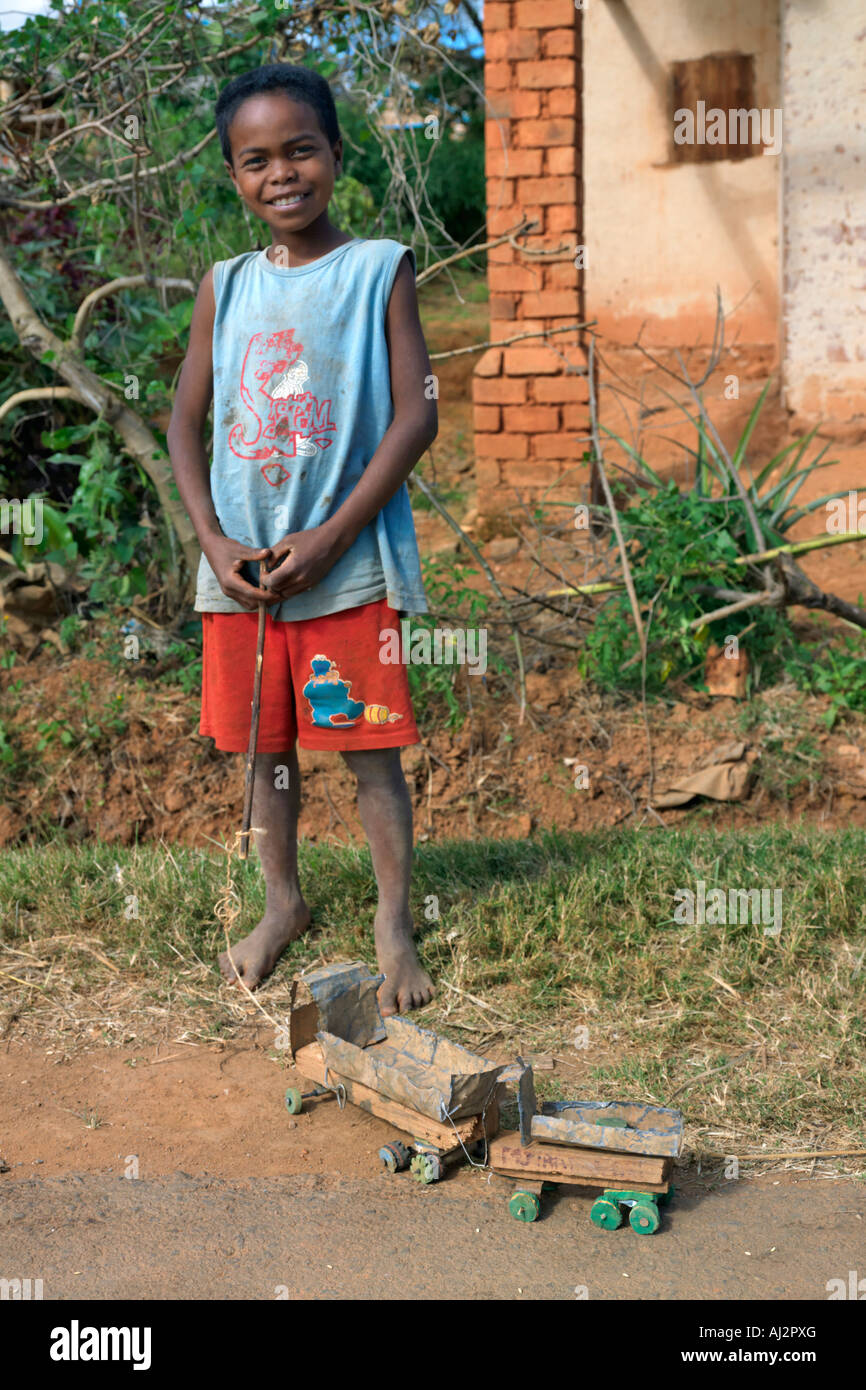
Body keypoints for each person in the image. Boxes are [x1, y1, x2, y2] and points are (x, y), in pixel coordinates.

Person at [167, 63, 437, 1016]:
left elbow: (415, 420)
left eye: (300, 150)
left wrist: (329, 535)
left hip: (346, 566)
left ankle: (393, 923)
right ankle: (282, 903)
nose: (281, 173)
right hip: (242, 572)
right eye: (256, 160)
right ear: (234, 174)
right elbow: (183, 421)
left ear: (334, 151)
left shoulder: (377, 268)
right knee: (265, 748)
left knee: (370, 751)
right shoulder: (225, 285)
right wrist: (211, 538)